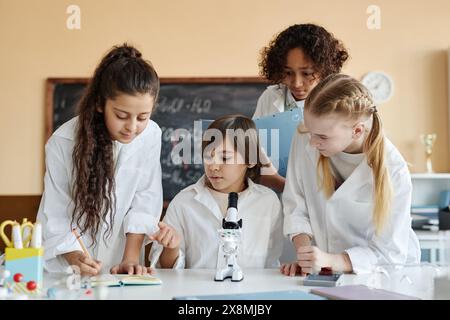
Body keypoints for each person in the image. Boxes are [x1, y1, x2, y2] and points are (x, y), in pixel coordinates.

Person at [37, 44, 163, 276]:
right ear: (99, 104)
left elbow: (145, 198)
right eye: (121, 115)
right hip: (69, 264)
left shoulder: (151, 135)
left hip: (122, 262)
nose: (132, 127)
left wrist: (130, 258)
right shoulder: (63, 142)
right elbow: (56, 212)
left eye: (143, 117)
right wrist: (76, 258)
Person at [281, 74, 420, 276]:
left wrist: (333, 260)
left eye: (322, 137)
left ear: (356, 131)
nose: (311, 142)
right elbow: (296, 204)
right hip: (327, 272)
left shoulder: (394, 169)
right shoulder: (305, 137)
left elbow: (389, 253)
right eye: (310, 131)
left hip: (381, 277)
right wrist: (306, 257)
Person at [149, 115, 283, 269]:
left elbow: (272, 262)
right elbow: (165, 269)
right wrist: (171, 247)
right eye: (208, 156)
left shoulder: (267, 202)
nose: (213, 166)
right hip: (197, 291)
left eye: (225, 158)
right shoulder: (184, 202)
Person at [254, 23, 349, 192]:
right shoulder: (270, 98)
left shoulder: (343, 103)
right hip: (278, 202)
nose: (296, 83)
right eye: (288, 73)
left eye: (306, 73)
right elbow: (255, 148)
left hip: (323, 200)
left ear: (325, 68)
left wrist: (279, 183)